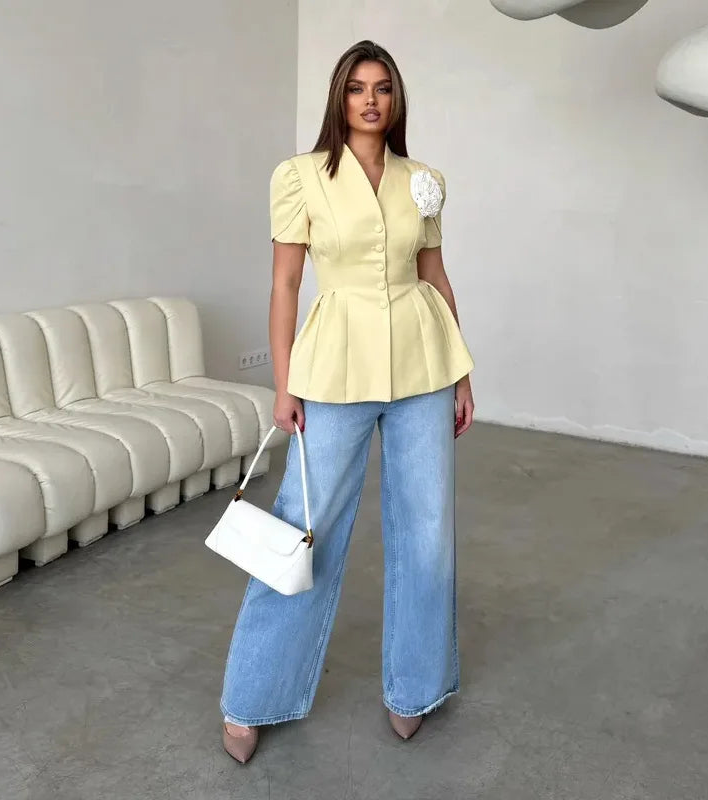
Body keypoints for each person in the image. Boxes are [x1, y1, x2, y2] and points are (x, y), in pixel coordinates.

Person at [220, 39, 475, 764]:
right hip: (332, 369)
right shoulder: (301, 177)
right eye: (357, 87)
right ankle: (253, 696)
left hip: (423, 366)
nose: (369, 99)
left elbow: (435, 277)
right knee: (306, 530)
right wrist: (283, 380)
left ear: (395, 101)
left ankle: (414, 688)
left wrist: (461, 373)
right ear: (339, 96)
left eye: (383, 88)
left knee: (427, 534)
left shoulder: (422, 180)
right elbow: (285, 285)